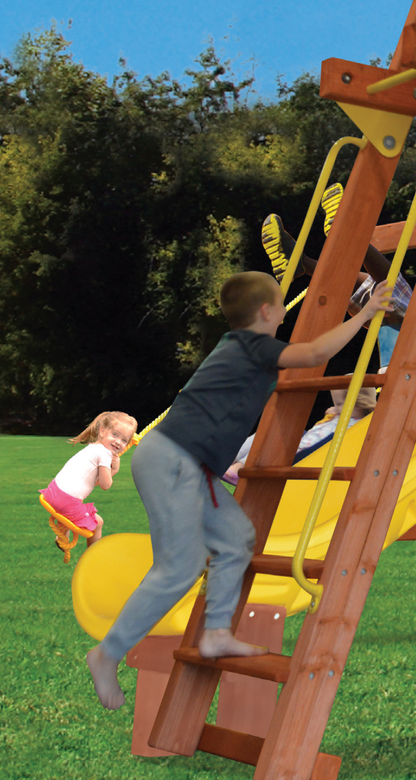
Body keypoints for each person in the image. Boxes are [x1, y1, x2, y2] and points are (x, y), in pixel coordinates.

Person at [84, 270, 391, 711]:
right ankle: (106, 653)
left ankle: (215, 634)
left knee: (235, 539)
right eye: (282, 304)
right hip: (175, 460)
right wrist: (366, 313)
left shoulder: (238, 347)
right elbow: (317, 352)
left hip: (190, 465)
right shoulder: (254, 346)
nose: (285, 311)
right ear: (267, 312)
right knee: (180, 566)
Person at [222, 386, 378, 486]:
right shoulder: (338, 417)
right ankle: (228, 459)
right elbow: (317, 432)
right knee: (269, 431)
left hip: (304, 456)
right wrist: (331, 416)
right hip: (302, 445)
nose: (333, 407)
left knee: (281, 435)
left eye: (338, 404)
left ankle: (238, 470)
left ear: (359, 403)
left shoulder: (359, 425)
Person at [42, 411, 137, 544]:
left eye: (124, 440)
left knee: (71, 511)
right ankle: (92, 556)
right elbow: (105, 485)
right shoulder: (105, 454)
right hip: (65, 501)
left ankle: (63, 536)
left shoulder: (92, 448)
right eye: (114, 434)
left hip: (52, 492)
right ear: (102, 431)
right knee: (98, 523)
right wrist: (114, 469)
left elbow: (93, 482)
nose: (118, 442)